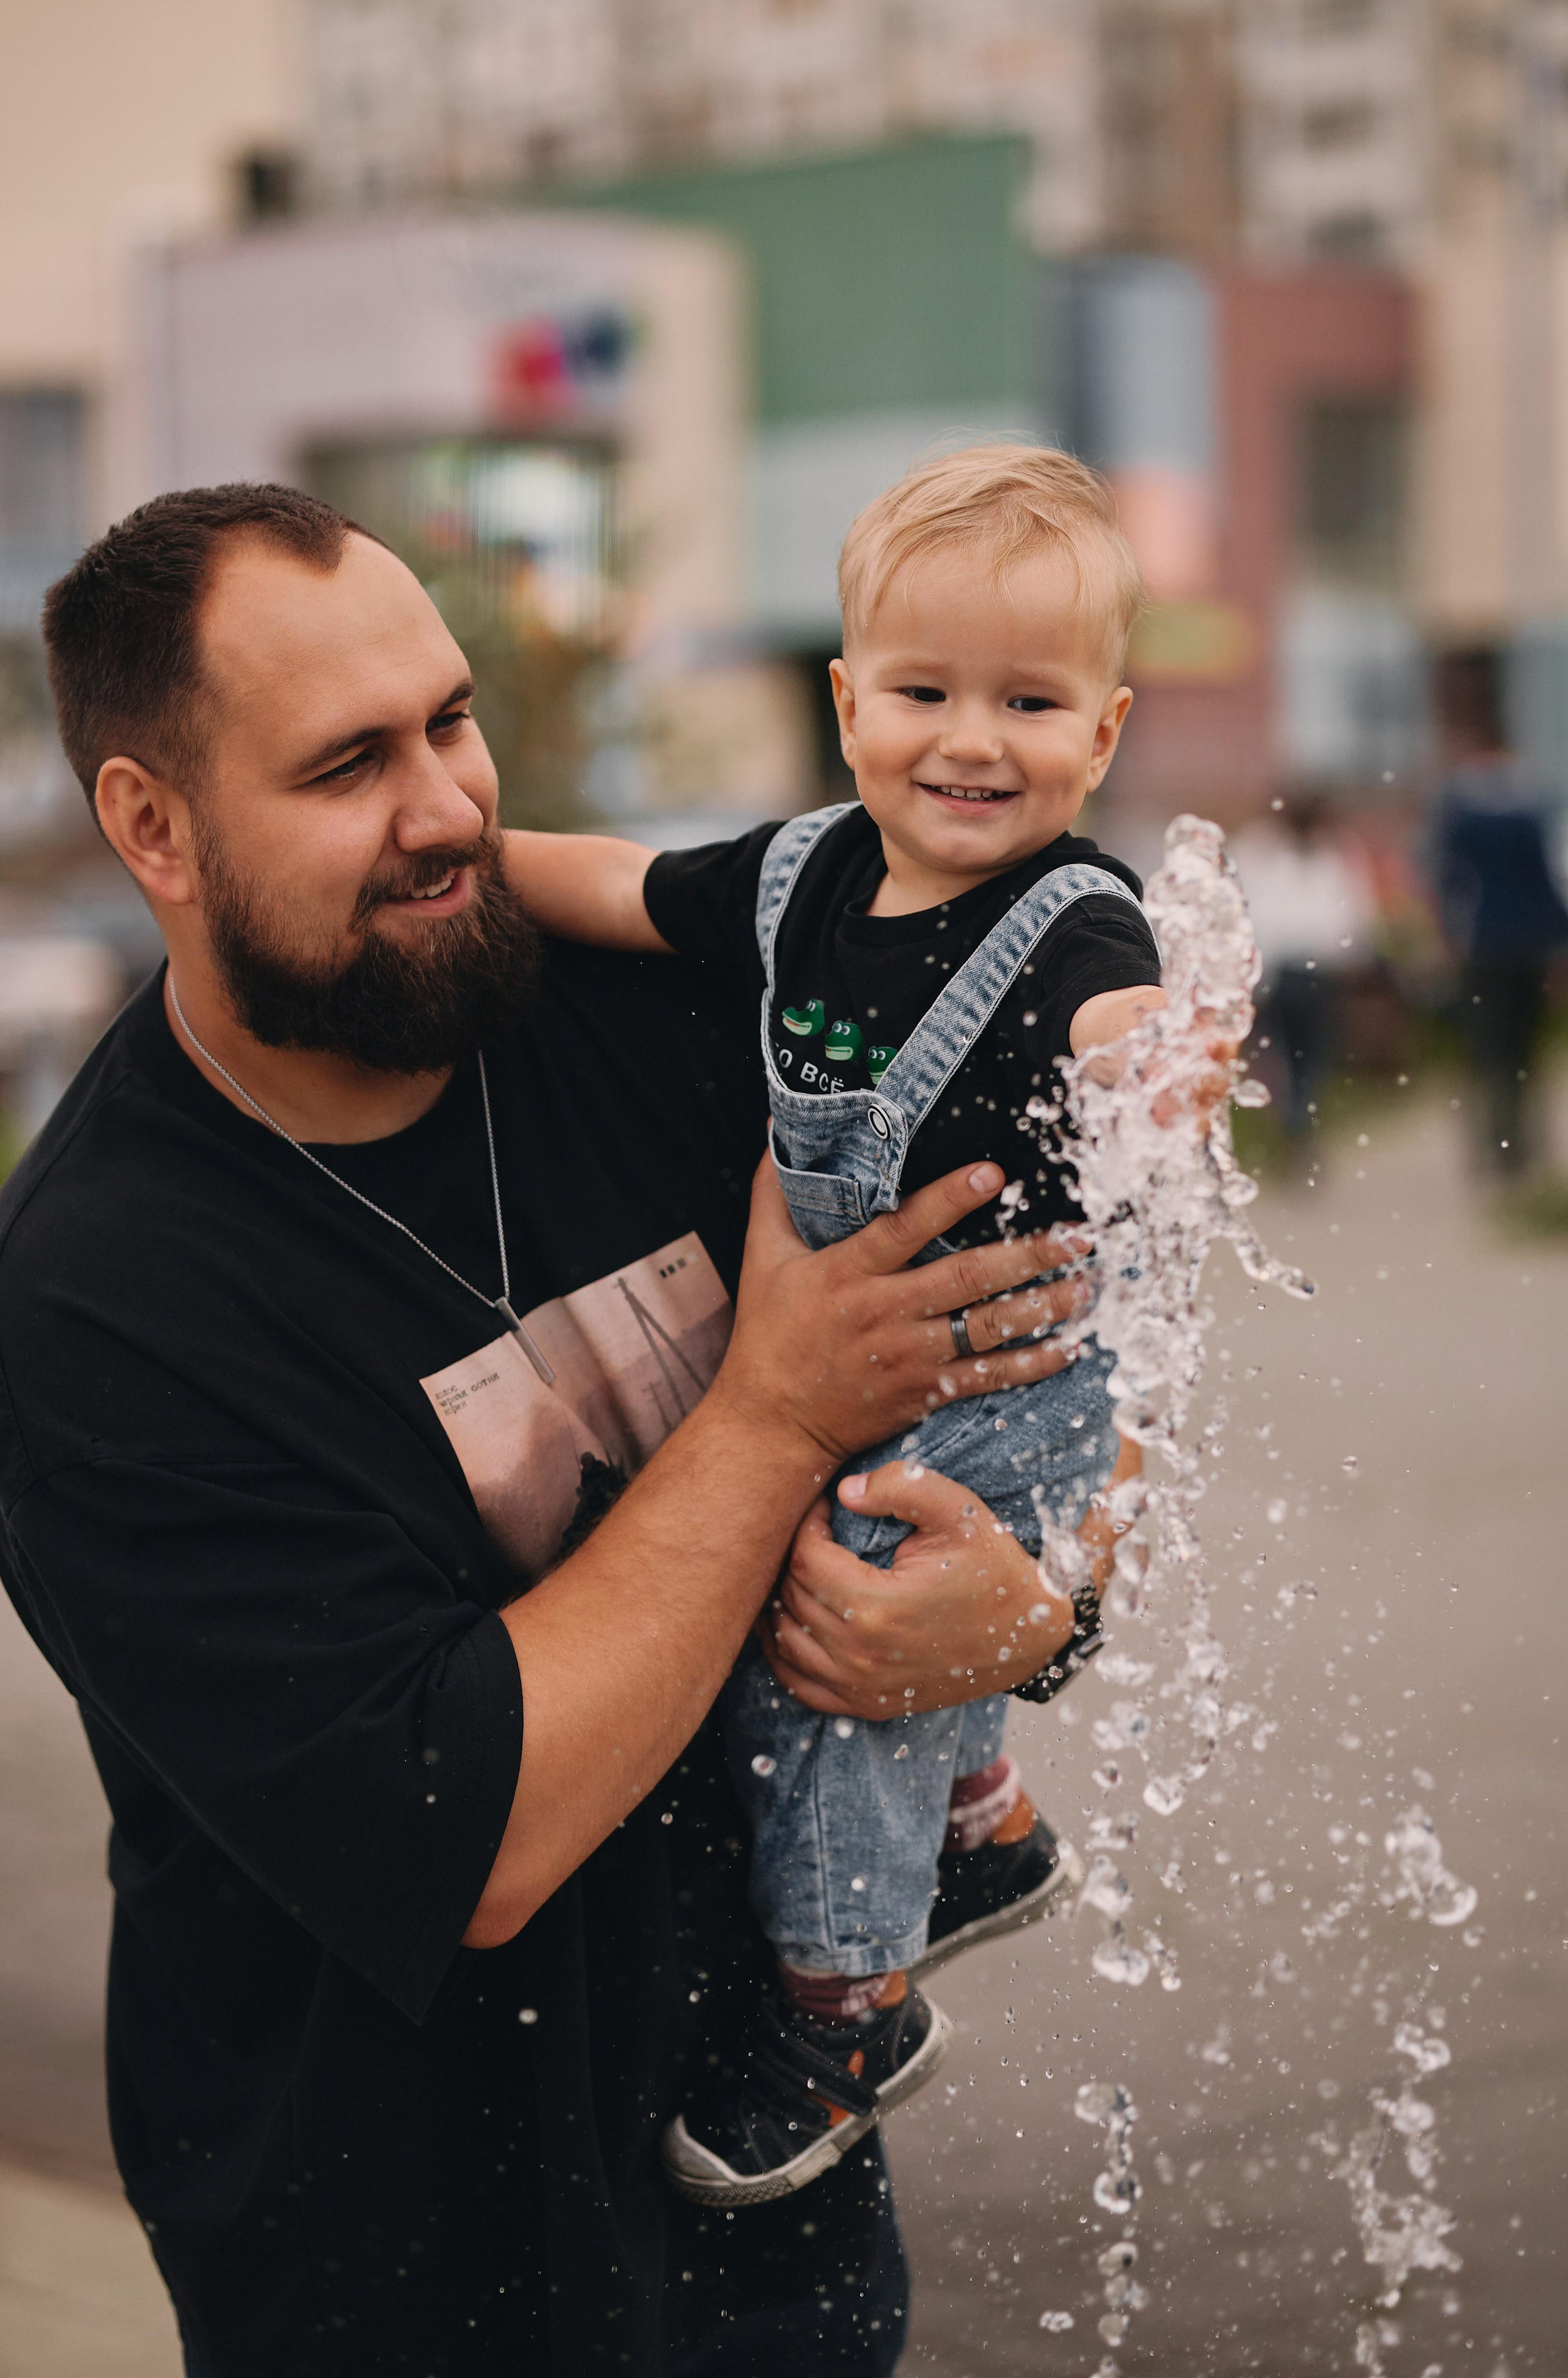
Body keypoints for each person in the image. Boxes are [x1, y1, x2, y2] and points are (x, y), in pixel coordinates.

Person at [0, 484, 1132, 2378]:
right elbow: (470, 1820)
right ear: (150, 826)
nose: (446, 806)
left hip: (780, 2212)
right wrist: (771, 1405)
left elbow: (1049, 1339)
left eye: (449, 718)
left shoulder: (657, 1013)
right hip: (393, 2274)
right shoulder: (100, 1296)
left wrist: (1040, 1606)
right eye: (348, 763)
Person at [505, 445, 1202, 2208]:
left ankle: (844, 2007)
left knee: (825, 1652)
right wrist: (467, 852)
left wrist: (1170, 1065)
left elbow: (1124, 1022)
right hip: (874, 1372)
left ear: (1104, 735)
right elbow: (617, 884)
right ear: (846, 702)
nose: (974, 741)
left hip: (1003, 1386)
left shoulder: (1069, 920)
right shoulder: (795, 883)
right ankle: (979, 1830)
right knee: (819, 1600)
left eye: (1031, 702)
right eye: (926, 691)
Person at [1427, 648, 1568, 1178]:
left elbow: (1446, 879)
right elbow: (1547, 880)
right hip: (1528, 942)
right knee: (1527, 1052)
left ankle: (1497, 1147)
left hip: (1484, 942)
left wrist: (1446, 937)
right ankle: (1523, 1148)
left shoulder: (1459, 802)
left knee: (1490, 1050)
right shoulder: (1528, 798)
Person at [1233, 792, 1376, 1156]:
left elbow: (1349, 919)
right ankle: (1296, 1119)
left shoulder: (1324, 855)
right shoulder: (1267, 853)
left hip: (1303, 973)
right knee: (1297, 1054)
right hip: (1288, 973)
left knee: (1300, 1053)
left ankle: (1295, 1121)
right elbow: (1349, 919)